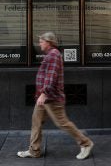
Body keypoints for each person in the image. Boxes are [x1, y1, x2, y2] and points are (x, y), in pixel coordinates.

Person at [17, 32, 94, 160]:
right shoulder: (51, 54)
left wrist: (44, 94)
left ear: (49, 42)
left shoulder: (53, 55)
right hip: (44, 97)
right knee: (36, 122)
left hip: (51, 98)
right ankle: (34, 150)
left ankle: (86, 143)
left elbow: (51, 77)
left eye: (41, 41)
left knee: (62, 123)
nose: (39, 43)